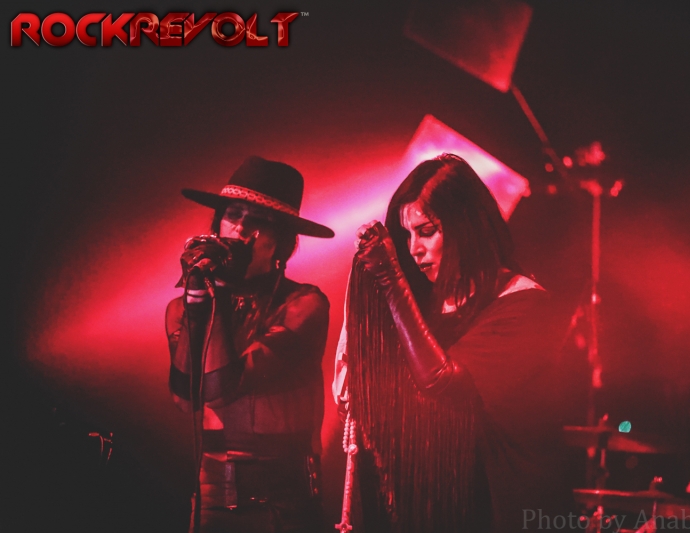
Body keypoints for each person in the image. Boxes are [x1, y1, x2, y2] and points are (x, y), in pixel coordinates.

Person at [333, 153, 571, 532]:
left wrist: (391, 281)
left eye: (427, 231)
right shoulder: (429, 306)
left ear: (465, 227)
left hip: (510, 509)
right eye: (407, 235)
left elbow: (443, 383)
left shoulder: (527, 305)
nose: (414, 248)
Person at [166, 156, 334, 533]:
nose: (240, 228)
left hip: (282, 502)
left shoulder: (304, 305)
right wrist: (197, 299)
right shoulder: (183, 308)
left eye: (257, 220)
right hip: (212, 496)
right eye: (232, 214)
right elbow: (185, 399)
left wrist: (217, 293)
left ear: (281, 241)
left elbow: (224, 388)